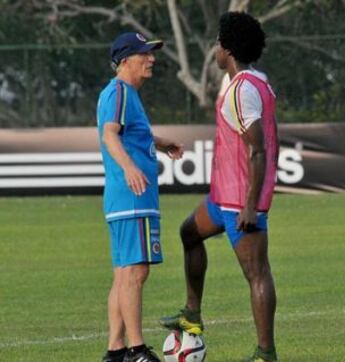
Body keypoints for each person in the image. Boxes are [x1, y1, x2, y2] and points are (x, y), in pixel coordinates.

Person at [160, 11, 279, 362]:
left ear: (227, 49)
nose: (214, 48)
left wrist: (250, 205)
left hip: (241, 199)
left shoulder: (242, 91)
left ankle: (265, 353)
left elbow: (258, 149)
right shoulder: (249, 80)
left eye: (217, 43)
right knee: (189, 233)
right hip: (222, 195)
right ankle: (192, 314)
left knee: (256, 273)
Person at [97, 31, 184, 362]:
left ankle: (115, 350)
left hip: (126, 198)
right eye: (144, 53)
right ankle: (136, 350)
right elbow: (110, 135)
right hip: (133, 195)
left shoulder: (125, 94)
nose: (152, 59)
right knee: (135, 272)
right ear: (125, 60)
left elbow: (131, 133)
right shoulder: (119, 90)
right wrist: (132, 168)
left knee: (125, 273)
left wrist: (161, 143)